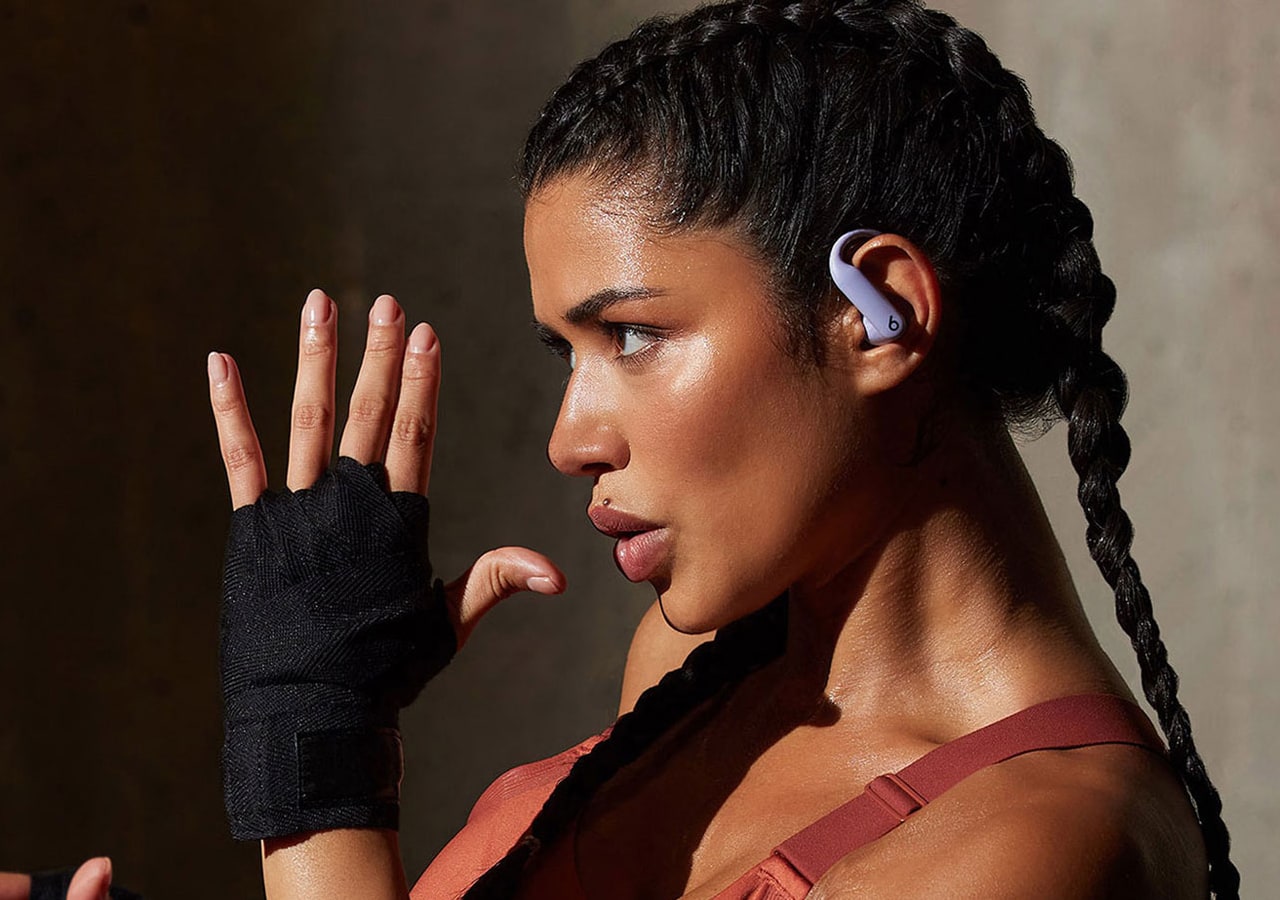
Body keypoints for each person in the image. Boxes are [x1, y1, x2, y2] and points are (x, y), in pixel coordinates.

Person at [206, 1, 1240, 897]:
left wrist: (311, 743)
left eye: (633, 336)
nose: (570, 439)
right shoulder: (693, 667)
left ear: (879, 316)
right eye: (567, 351)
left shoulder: (1038, 844)